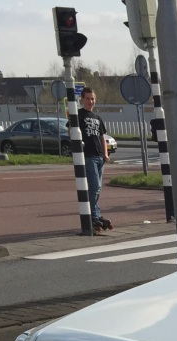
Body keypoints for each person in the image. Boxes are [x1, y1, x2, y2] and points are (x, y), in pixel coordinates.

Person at [77, 88, 111, 234]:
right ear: (82, 99)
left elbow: (102, 136)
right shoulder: (78, 115)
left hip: (99, 156)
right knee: (95, 187)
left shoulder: (97, 117)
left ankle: (95, 215)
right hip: (88, 155)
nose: (90, 102)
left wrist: (105, 153)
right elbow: (70, 130)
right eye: (88, 99)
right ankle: (94, 216)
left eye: (92, 99)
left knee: (97, 189)